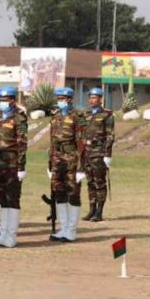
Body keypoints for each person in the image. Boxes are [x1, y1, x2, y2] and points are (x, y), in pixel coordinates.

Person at [0, 85, 28, 248]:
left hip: (12, 163)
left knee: (12, 198)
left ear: (13, 100)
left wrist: (21, 167)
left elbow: (22, 144)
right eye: (1, 100)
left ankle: (10, 235)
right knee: (1, 198)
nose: (2, 103)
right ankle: (3, 233)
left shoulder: (19, 118)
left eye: (5, 100)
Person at [48, 87, 85, 242]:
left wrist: (81, 167)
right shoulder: (55, 117)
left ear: (70, 100)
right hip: (57, 158)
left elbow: (82, 142)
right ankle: (63, 228)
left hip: (72, 158)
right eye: (58, 99)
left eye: (63, 99)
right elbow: (51, 140)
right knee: (59, 192)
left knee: (73, 193)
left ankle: (71, 230)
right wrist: (49, 163)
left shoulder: (78, 117)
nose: (60, 101)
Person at [81, 87, 114, 222]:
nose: (92, 100)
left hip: (99, 152)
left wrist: (107, 154)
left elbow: (110, 136)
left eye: (94, 97)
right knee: (90, 182)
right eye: (90, 97)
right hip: (87, 152)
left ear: (100, 99)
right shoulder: (86, 114)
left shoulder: (107, 115)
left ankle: (99, 212)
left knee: (99, 182)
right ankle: (91, 209)